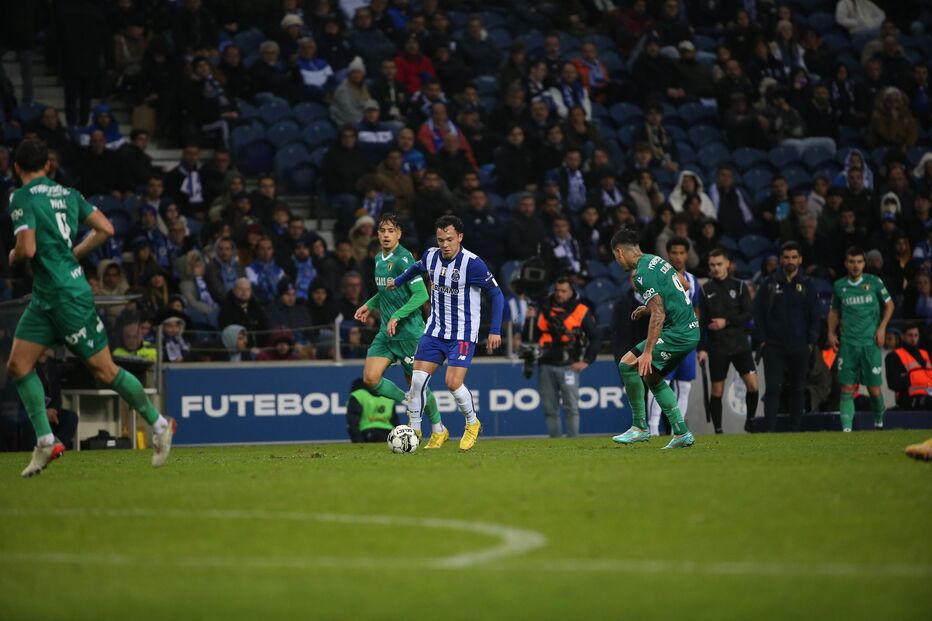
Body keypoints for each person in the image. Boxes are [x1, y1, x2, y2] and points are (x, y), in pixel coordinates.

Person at [6, 138, 174, 477]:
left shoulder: (20, 197)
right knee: (18, 365)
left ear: (16, 168)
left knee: (104, 371)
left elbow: (26, 249)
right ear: (49, 166)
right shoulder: (69, 194)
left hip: (66, 297)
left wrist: (12, 256)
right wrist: (75, 254)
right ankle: (44, 441)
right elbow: (106, 229)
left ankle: (158, 426)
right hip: (46, 297)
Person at [387, 215, 504, 451]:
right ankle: (415, 432)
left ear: (460, 237)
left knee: (452, 383)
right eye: (441, 239)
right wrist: (398, 281)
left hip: (462, 333)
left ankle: (472, 423)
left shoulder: (473, 264)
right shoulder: (431, 255)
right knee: (417, 381)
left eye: (450, 239)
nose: (445, 244)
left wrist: (495, 330)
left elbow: (496, 294)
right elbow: (418, 267)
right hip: (434, 330)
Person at [352, 213, 445, 445]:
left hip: (408, 333)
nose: (386, 235)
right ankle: (408, 399)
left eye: (391, 231)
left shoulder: (405, 260)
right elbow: (385, 292)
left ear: (399, 234)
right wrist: (368, 305)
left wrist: (397, 315)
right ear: (377, 234)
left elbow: (421, 294)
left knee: (418, 384)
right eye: (382, 231)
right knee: (370, 378)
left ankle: (438, 428)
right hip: (386, 332)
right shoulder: (378, 259)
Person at [610, 228, 698, 449]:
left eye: (615, 257)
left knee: (628, 364)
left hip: (677, 332)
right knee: (651, 376)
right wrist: (647, 307)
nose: (617, 262)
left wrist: (648, 351)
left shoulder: (641, 275)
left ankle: (639, 427)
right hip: (689, 329)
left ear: (620, 253)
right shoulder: (656, 260)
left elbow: (659, 313)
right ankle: (681, 433)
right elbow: (684, 286)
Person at [753, 241, 821, 432]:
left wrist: (811, 342)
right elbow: (757, 313)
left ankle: (795, 429)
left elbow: (816, 315)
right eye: (786, 257)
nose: (790, 261)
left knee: (799, 389)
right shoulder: (769, 284)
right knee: (773, 388)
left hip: (800, 346)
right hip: (774, 346)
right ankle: (769, 429)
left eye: (793, 257)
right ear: (780, 259)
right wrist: (762, 341)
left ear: (800, 259)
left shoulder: (808, 285)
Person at [827, 246, 894, 432]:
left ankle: (879, 424)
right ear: (845, 263)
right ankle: (846, 432)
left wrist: (882, 328)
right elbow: (834, 311)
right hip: (848, 345)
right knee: (847, 388)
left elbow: (890, 306)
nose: (855, 266)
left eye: (859, 262)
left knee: (874, 390)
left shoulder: (874, 282)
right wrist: (831, 333)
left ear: (864, 263)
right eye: (851, 262)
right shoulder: (839, 286)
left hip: (870, 343)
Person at [526, 277, 600, 438]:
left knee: (571, 407)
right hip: (546, 364)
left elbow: (595, 336)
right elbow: (530, 337)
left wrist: (587, 360)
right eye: (557, 290)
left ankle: (573, 442)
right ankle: (556, 443)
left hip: (569, 365)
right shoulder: (544, 308)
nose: (559, 294)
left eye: (563, 291)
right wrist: (528, 319)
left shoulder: (581, 309)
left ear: (571, 291)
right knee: (549, 409)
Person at [698, 249, 759, 433]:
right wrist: (701, 348)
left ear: (727, 264)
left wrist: (727, 321)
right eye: (712, 265)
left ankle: (751, 421)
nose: (716, 268)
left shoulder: (740, 286)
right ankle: (718, 430)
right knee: (717, 391)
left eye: (719, 264)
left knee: (753, 386)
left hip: (740, 344)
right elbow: (702, 322)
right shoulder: (705, 289)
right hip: (718, 346)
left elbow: (748, 314)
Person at [647, 236, 700, 437]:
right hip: (666, 337)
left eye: (682, 252)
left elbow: (697, 309)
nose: (678, 257)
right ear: (668, 255)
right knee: (661, 382)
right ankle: (652, 429)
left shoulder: (693, 280)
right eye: (674, 253)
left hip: (686, 339)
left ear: (687, 255)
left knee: (684, 386)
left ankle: (677, 431)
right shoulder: (658, 277)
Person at [885, 323, 932, 411]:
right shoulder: (894, 355)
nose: (913, 339)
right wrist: (914, 378)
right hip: (908, 397)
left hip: (928, 394)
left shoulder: (925, 354)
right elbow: (893, 383)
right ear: (903, 336)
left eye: (916, 335)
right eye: (910, 335)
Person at [345, 377, 400, 443]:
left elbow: (394, 421)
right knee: (377, 436)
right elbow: (353, 421)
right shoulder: (359, 395)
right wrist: (358, 441)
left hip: (388, 430)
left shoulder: (389, 397)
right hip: (368, 430)